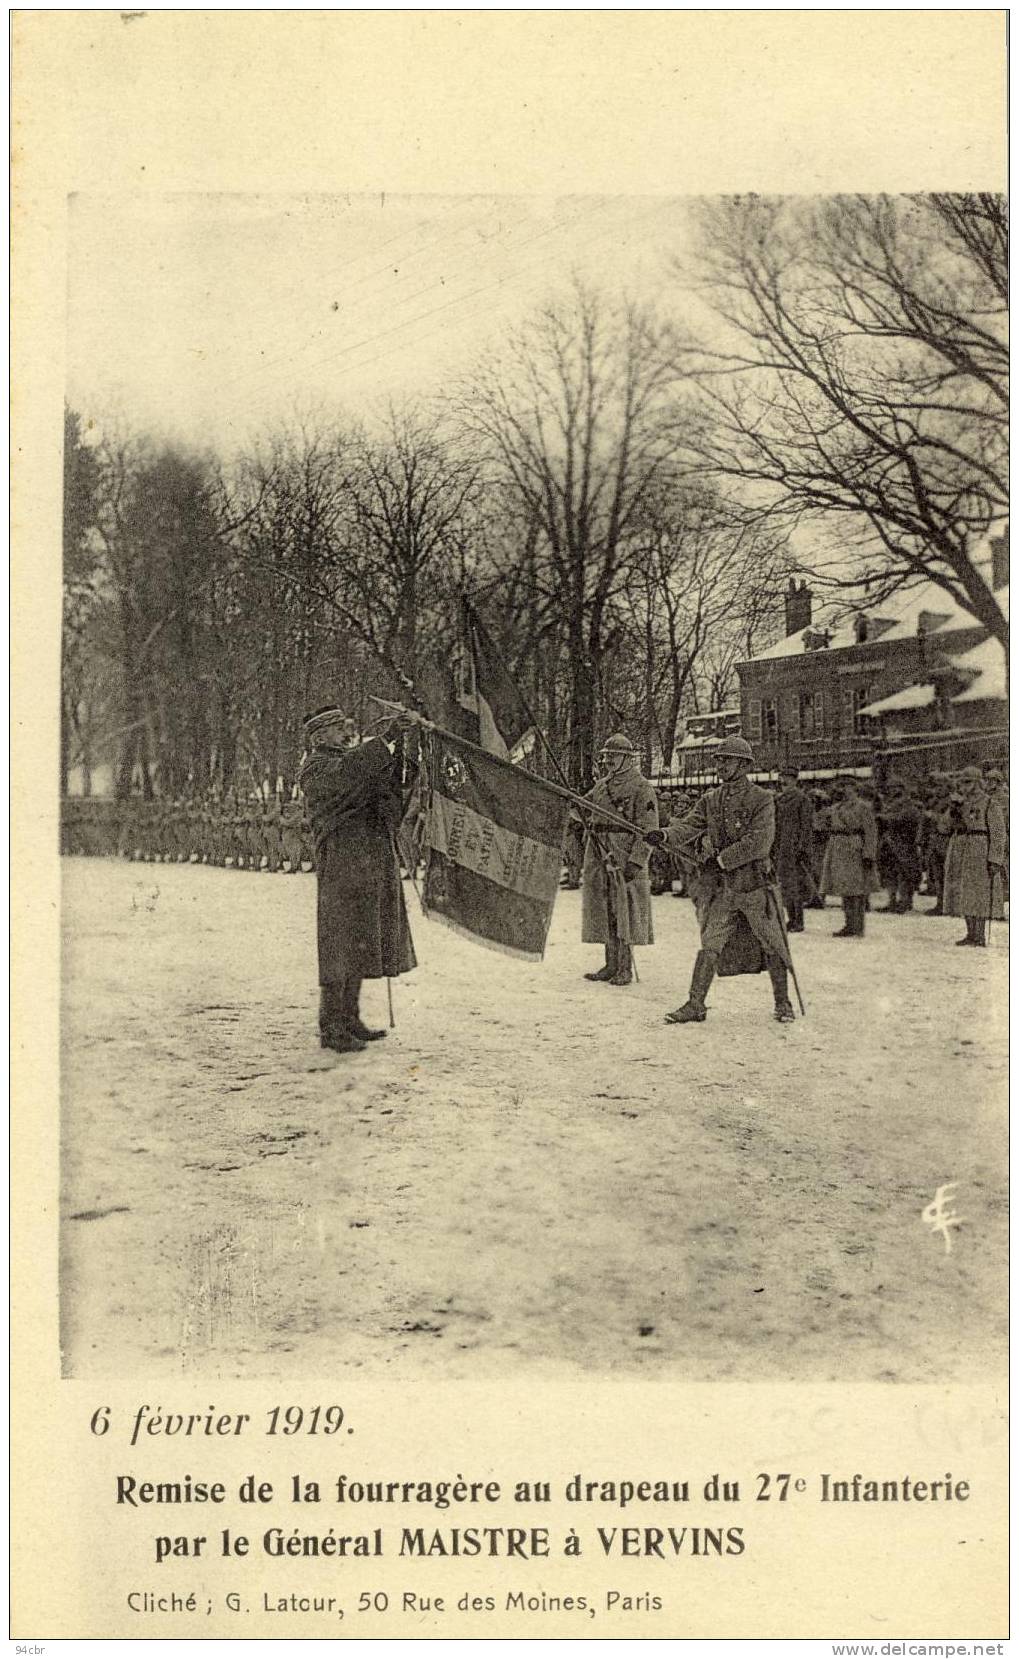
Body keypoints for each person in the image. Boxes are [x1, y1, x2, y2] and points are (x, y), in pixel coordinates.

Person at [647, 735, 794, 1024]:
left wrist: (721, 859)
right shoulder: (711, 800)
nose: (720, 765)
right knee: (710, 943)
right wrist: (664, 835)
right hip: (722, 889)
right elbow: (689, 826)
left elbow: (759, 842)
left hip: (754, 886)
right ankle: (695, 1004)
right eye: (718, 760)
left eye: (726, 760)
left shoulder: (762, 800)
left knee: (773, 943)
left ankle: (783, 1002)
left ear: (743, 764)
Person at [299, 705, 417, 1052]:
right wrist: (388, 739)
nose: (345, 732)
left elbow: (381, 788)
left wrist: (402, 757)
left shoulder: (348, 762)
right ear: (320, 736)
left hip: (367, 863)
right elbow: (349, 773)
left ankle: (350, 1018)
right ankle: (331, 1027)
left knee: (362, 940)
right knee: (341, 944)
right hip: (342, 866)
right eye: (337, 728)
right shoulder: (316, 768)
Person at [579, 733, 658, 988]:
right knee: (604, 908)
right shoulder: (601, 786)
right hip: (599, 851)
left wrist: (637, 861)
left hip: (623, 853)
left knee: (625, 909)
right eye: (606, 756)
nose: (608, 761)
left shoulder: (641, 787)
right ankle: (610, 964)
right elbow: (582, 808)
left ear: (627, 758)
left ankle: (624, 967)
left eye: (613, 756)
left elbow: (649, 829)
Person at [942, 766, 1006, 947]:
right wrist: (953, 810)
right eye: (962, 782)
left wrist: (995, 858)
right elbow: (944, 827)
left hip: (980, 847)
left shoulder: (989, 804)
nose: (964, 786)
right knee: (965, 890)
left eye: (968, 782)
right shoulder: (960, 803)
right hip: (961, 846)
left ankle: (979, 934)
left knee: (980, 891)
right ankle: (970, 932)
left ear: (978, 783)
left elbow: (998, 833)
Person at [819, 775, 879, 936]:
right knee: (844, 888)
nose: (844, 790)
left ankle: (857, 926)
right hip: (838, 847)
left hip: (854, 847)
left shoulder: (862, 807)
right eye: (842, 787)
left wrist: (869, 854)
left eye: (848, 787)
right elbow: (822, 824)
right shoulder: (836, 807)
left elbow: (871, 832)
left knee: (856, 890)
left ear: (854, 789)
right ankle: (849, 923)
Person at [773, 766, 813, 932]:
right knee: (785, 885)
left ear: (795, 780)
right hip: (781, 847)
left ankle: (798, 920)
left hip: (794, 847)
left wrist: (802, 847)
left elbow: (806, 826)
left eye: (788, 778)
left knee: (795, 885)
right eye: (782, 778)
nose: (784, 781)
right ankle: (791, 918)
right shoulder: (779, 800)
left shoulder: (802, 799)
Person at [876, 777, 922, 912]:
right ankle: (892, 900)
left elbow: (906, 818)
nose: (892, 790)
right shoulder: (888, 804)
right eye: (890, 788)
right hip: (889, 843)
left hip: (904, 844)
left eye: (895, 787)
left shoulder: (909, 804)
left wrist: (885, 818)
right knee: (889, 873)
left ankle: (905, 901)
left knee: (905, 874)